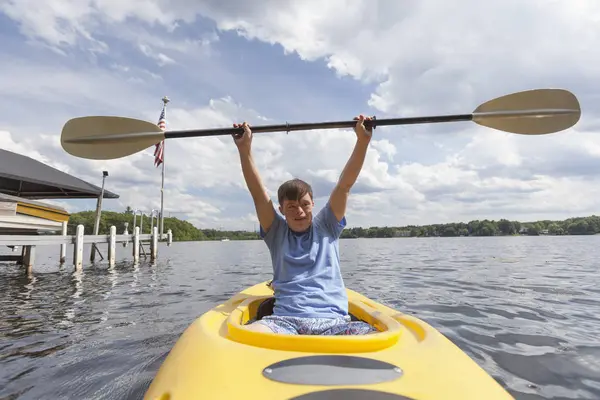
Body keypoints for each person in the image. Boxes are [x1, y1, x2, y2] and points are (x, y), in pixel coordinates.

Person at [232, 115, 377, 336]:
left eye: (305, 204)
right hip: (283, 322)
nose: (299, 211)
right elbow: (259, 196)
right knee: (245, 337)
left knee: (372, 337)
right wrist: (245, 149)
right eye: (291, 206)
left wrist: (362, 141)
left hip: (334, 322)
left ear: (312, 204)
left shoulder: (327, 225)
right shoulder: (276, 231)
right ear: (281, 209)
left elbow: (344, 185)